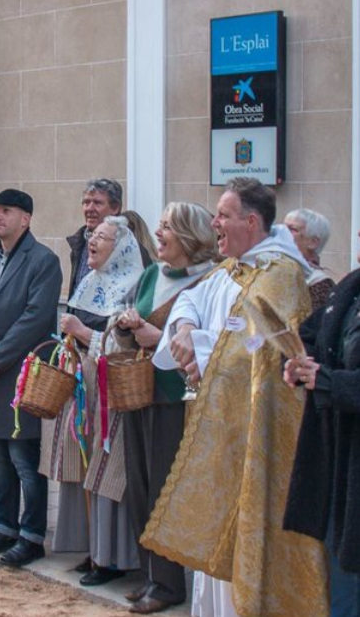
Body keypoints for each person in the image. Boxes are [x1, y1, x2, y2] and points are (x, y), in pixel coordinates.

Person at [144, 177, 327, 617]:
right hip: (220, 428)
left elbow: (259, 349)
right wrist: (186, 331)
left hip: (252, 436)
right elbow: (190, 301)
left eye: (223, 215)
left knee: (243, 542)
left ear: (250, 221)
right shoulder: (231, 267)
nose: (214, 223)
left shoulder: (280, 276)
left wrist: (201, 352)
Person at [113, 202, 219, 614]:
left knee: (164, 490)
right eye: (158, 228)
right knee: (139, 488)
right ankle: (150, 575)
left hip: (178, 399)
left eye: (166, 229)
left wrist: (158, 337)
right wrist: (127, 327)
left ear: (190, 237)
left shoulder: (210, 280)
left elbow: (209, 340)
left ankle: (170, 583)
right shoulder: (152, 274)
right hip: (139, 392)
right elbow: (130, 326)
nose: (158, 236)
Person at [46, 216, 145, 586]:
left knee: (109, 470)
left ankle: (114, 558)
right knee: (85, 468)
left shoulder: (132, 284)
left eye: (100, 237)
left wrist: (82, 332)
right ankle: (94, 550)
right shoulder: (91, 279)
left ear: (120, 247)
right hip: (84, 382)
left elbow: (126, 344)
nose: (92, 241)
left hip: (114, 388)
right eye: (92, 235)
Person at [0, 189, 62, 567]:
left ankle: (32, 535)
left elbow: (36, 318)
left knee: (24, 459)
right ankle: (4, 527)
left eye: (6, 211)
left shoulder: (43, 260)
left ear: (26, 218)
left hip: (22, 372)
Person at [284, 227, 360, 617]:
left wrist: (331, 382)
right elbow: (313, 333)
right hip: (340, 458)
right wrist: (300, 362)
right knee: (343, 575)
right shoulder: (351, 286)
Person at [284, 208, 335, 309]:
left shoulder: (319, 283)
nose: (281, 232)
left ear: (313, 242)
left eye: (292, 229)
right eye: (283, 227)